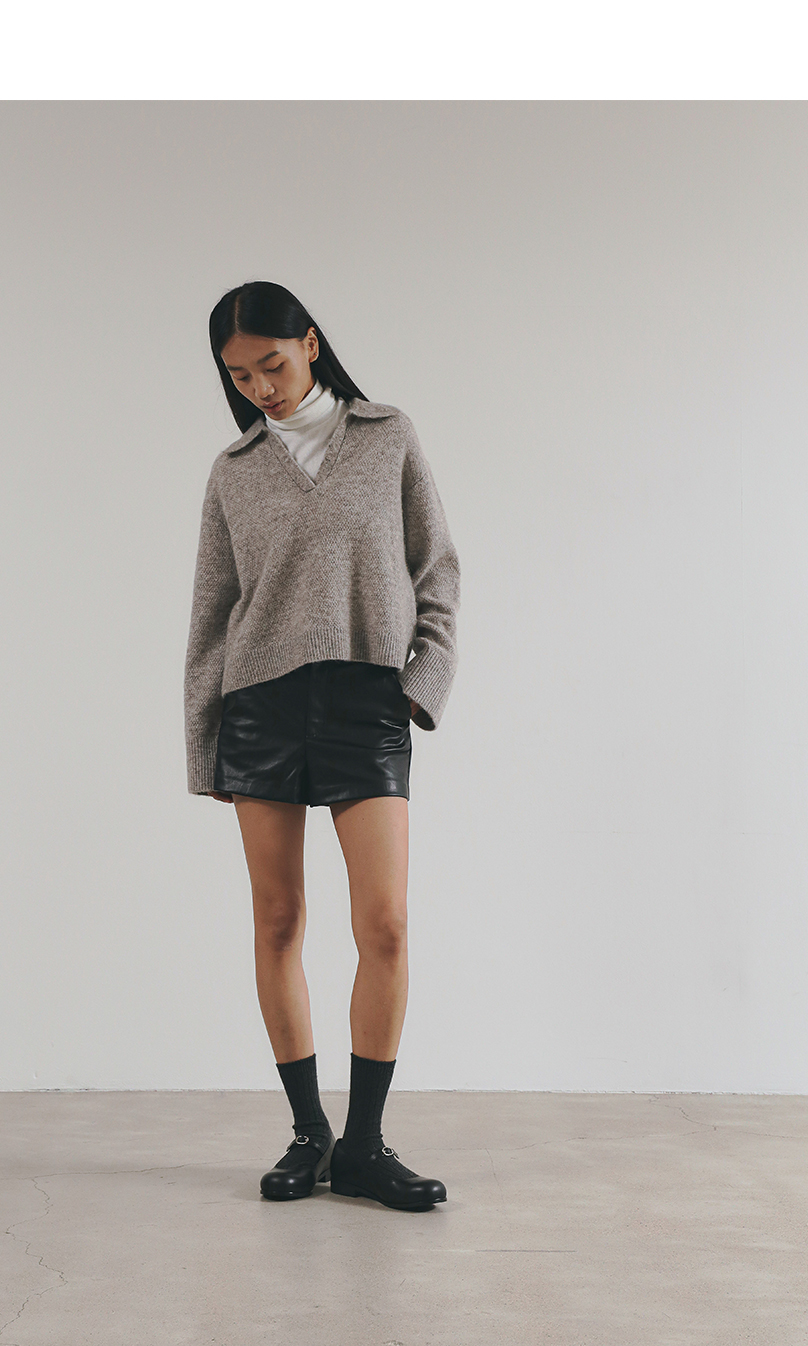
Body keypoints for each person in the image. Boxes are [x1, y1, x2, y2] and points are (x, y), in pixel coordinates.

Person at [184, 278, 461, 1213]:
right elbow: (211, 620)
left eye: (272, 363)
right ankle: (310, 1135)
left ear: (309, 342)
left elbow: (438, 570)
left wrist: (421, 683)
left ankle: (365, 1146)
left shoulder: (387, 437)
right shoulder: (233, 471)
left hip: (363, 702)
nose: (260, 387)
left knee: (384, 924)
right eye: (239, 376)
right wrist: (204, 749)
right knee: (277, 921)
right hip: (259, 707)